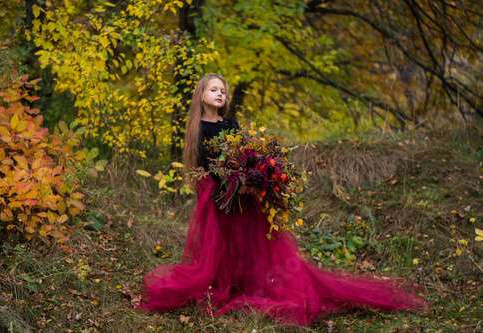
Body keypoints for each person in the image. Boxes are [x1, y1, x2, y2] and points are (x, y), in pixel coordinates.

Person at [137, 74, 428, 326]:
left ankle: (249, 284)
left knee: (249, 240)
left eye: (223, 91)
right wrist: (231, 184)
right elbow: (207, 162)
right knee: (223, 242)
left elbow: (243, 154)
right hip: (219, 194)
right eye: (214, 90)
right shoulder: (199, 128)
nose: (220, 94)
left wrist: (251, 179)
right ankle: (224, 286)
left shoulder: (231, 123)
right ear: (202, 94)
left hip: (244, 192)